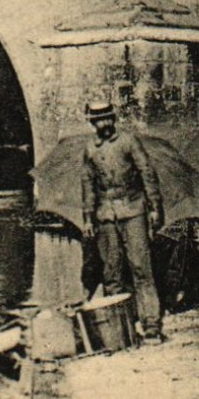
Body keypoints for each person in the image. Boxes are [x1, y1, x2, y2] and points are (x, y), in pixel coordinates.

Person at [79, 100, 165, 339]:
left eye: (108, 118)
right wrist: (87, 218)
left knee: (141, 268)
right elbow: (88, 187)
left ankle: (151, 326)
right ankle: (119, 329)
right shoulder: (90, 149)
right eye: (99, 120)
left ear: (113, 119)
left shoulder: (128, 141)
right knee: (111, 273)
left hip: (133, 209)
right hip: (105, 215)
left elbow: (147, 173)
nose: (104, 124)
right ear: (93, 123)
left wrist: (154, 207)